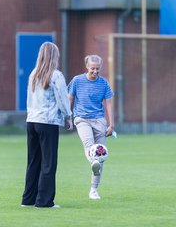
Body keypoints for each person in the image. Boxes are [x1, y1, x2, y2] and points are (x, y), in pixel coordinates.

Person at [21, 42, 73, 209]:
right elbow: (63, 99)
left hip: (32, 121)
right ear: (54, 56)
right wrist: (68, 116)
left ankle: (28, 199)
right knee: (48, 162)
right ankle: (44, 201)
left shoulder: (33, 74)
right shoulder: (56, 75)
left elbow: (29, 99)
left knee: (33, 161)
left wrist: (30, 115)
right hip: (48, 122)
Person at [68, 54, 114, 200]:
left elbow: (108, 103)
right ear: (87, 67)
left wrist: (111, 124)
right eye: (92, 68)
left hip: (99, 120)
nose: (95, 71)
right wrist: (68, 117)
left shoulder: (104, 83)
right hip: (81, 119)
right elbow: (70, 98)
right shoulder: (77, 81)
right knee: (89, 145)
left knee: (101, 155)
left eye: (98, 69)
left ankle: (94, 189)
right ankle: (93, 160)